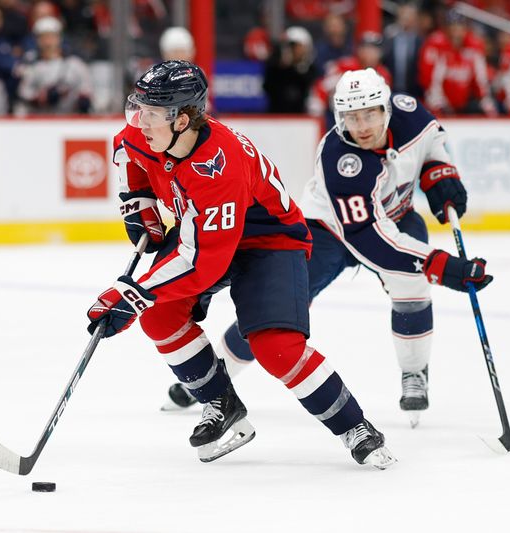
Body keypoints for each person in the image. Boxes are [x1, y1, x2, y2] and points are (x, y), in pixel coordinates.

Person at [86, 60, 396, 469]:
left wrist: (132, 295)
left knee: (275, 348)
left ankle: (354, 426)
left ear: (183, 120)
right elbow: (126, 150)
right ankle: (221, 403)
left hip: (269, 240)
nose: (140, 121)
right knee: (159, 316)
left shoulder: (220, 166)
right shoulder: (147, 132)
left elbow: (202, 265)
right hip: (205, 232)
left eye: (154, 114)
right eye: (138, 108)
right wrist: (137, 204)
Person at [162, 68, 493, 429]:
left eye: (369, 114)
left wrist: (440, 173)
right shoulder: (340, 159)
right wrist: (445, 267)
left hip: (395, 214)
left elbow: (433, 142)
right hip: (328, 230)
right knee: (276, 310)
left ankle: (414, 371)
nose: (362, 126)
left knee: (411, 286)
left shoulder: (412, 113)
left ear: (387, 109)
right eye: (351, 117)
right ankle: (218, 372)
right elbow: (371, 238)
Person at [15, 16, 92, 115]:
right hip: (41, 120)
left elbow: (86, 90)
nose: (48, 42)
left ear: (59, 38)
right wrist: (42, 98)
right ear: (37, 40)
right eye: (43, 37)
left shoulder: (75, 64)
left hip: (70, 118)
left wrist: (81, 100)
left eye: (51, 36)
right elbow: (24, 94)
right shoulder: (30, 65)